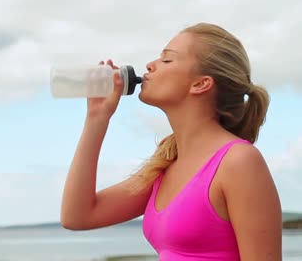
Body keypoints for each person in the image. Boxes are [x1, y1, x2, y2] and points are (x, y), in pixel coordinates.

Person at [60, 22, 282, 260]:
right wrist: (97, 117)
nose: (150, 65)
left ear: (201, 84)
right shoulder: (166, 165)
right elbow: (78, 216)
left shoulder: (239, 162)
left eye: (166, 60)